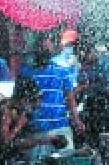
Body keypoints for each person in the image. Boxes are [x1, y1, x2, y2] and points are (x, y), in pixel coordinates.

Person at [19, 32, 82, 161]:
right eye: (42, 48)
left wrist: (76, 120)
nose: (45, 51)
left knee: (66, 161)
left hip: (61, 128)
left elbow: (70, 98)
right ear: (35, 50)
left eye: (48, 48)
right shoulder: (25, 72)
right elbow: (19, 100)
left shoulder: (61, 71)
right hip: (37, 133)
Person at [0, 76, 68, 164]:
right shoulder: (6, 111)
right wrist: (18, 126)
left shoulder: (21, 113)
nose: (36, 106)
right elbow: (3, 143)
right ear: (24, 99)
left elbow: (17, 144)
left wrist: (45, 140)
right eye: (34, 102)